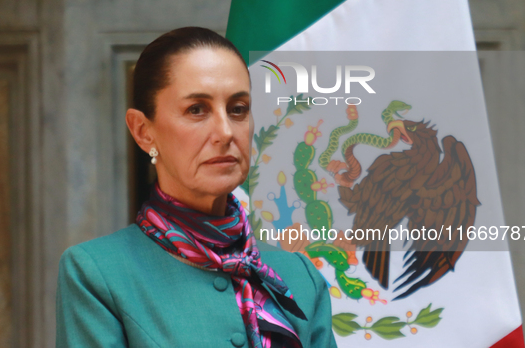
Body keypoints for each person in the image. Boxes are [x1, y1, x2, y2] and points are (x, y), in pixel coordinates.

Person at [55, 27, 337, 348]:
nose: (225, 131)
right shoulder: (97, 274)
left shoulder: (299, 275)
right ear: (143, 131)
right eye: (197, 110)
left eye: (238, 109)